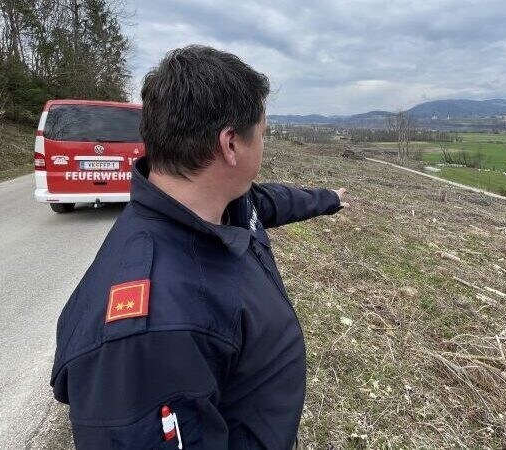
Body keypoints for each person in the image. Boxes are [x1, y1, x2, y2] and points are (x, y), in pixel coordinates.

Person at [50, 45, 348, 449]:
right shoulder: (151, 332)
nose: (264, 145)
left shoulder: (223, 204)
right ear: (230, 145)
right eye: (262, 134)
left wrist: (328, 198)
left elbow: (270, 201)